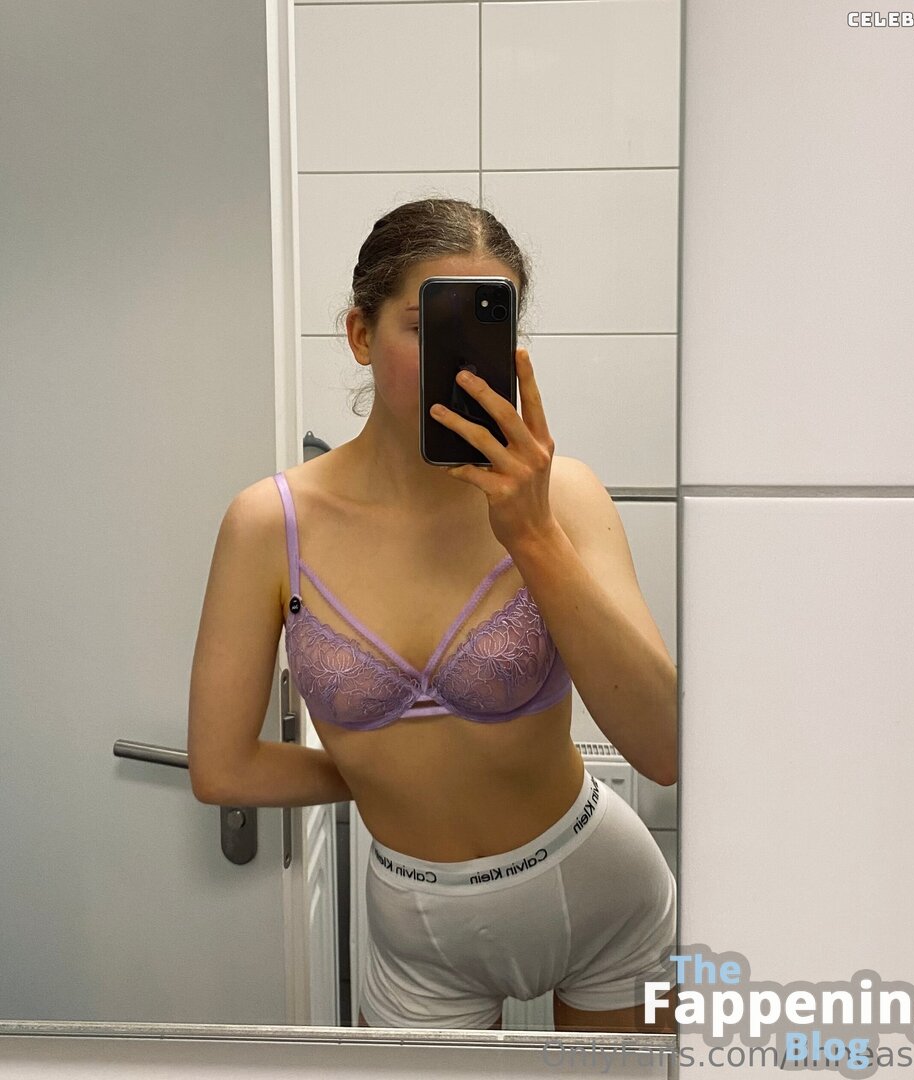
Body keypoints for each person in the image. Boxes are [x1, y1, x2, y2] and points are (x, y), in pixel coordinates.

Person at [188, 197, 679, 1034]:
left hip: (602, 890)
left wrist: (533, 535)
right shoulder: (269, 525)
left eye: (486, 329)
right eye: (426, 328)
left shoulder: (565, 496)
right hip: (419, 931)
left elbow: (664, 749)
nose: (459, 362)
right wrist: (382, 771)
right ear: (359, 334)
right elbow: (222, 769)